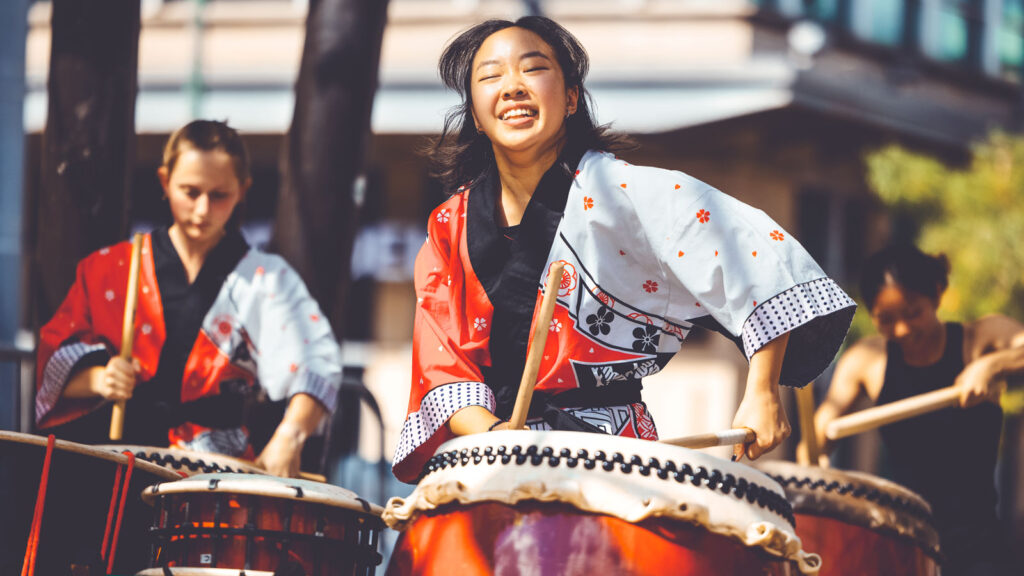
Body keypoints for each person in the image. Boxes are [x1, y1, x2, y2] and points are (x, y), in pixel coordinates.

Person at [391, 16, 857, 484]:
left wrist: (762, 390)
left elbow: (749, 255)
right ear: (475, 112)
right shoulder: (449, 227)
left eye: (532, 69)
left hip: (609, 454)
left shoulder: (625, 194)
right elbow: (445, 368)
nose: (511, 87)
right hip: (493, 453)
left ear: (571, 97)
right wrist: (501, 440)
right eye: (490, 76)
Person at [34, 120, 342, 478]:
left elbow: (318, 360)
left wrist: (290, 435)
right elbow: (51, 362)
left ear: (243, 190)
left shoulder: (266, 279)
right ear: (165, 182)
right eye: (190, 192)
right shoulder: (110, 268)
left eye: (219, 195)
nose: (202, 210)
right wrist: (99, 378)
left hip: (213, 468)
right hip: (115, 460)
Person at [814, 245, 1024, 575]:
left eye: (913, 313)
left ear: (937, 295)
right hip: (900, 544)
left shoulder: (978, 339)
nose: (902, 330)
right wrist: (817, 449)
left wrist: (992, 365)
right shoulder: (868, 359)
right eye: (886, 320)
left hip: (978, 549)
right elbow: (824, 424)